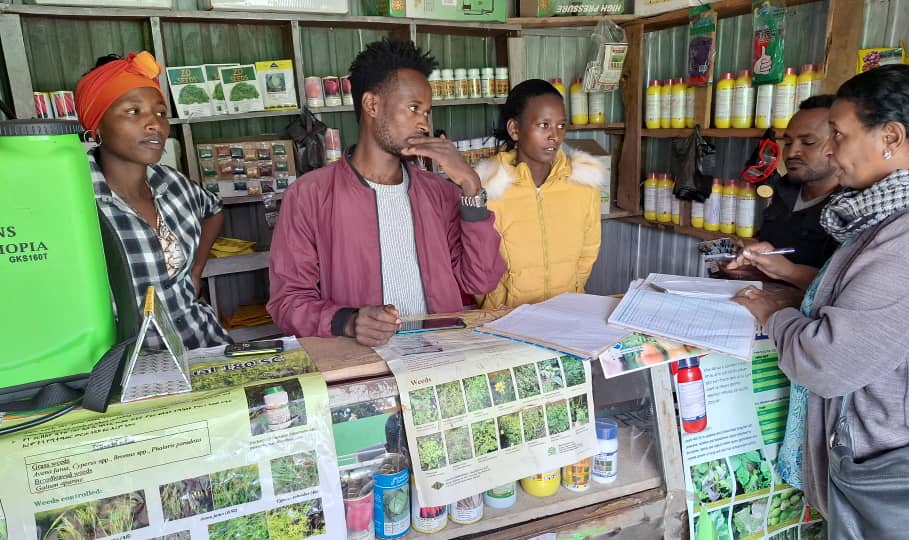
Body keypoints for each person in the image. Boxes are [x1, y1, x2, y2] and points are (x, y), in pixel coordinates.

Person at [732, 64, 909, 519]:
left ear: (890, 138)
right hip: (895, 449)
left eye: (839, 135)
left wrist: (775, 313)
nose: (833, 152)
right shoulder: (903, 214)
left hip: (888, 464)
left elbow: (825, 362)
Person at [267, 39, 506, 346]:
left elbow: (481, 280)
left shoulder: (441, 194)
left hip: (441, 358)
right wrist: (348, 321)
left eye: (427, 112)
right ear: (372, 105)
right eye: (413, 108)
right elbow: (287, 302)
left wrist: (472, 188)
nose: (424, 122)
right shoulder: (310, 196)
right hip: (362, 366)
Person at [76, 51, 230, 349]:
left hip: (204, 342)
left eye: (160, 112)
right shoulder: (77, 200)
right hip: (135, 368)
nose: (154, 124)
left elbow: (213, 209)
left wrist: (196, 270)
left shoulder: (172, 183)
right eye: (133, 112)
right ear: (96, 126)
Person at [473, 79, 603, 309]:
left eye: (561, 125)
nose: (555, 136)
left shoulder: (582, 184)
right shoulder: (490, 188)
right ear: (515, 129)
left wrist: (571, 293)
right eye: (544, 125)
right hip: (505, 320)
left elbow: (588, 251)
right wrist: (498, 302)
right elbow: (479, 262)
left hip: (567, 314)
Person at [725, 95, 841, 289]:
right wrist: (750, 264)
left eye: (808, 142)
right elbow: (771, 250)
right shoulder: (784, 189)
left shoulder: (851, 207)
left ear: (839, 144)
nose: (792, 152)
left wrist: (789, 271)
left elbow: (842, 288)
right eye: (788, 142)